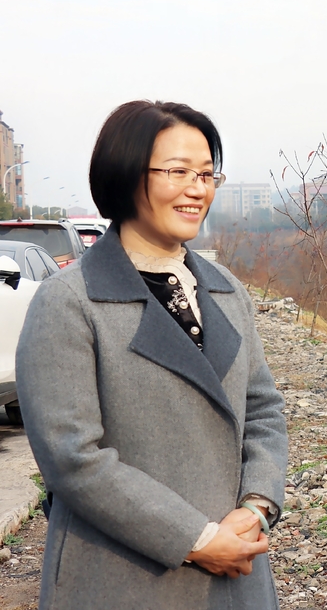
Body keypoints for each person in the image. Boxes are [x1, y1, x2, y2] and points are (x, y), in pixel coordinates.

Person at [16, 101, 289, 609]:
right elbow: (73, 458)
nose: (197, 189)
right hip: (120, 579)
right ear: (125, 174)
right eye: (178, 172)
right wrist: (197, 539)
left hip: (235, 576)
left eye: (208, 174)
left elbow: (264, 411)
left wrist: (256, 507)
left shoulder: (227, 291)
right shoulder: (70, 302)